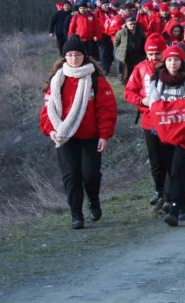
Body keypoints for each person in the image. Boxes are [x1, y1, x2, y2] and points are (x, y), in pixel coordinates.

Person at [39, 35, 118, 229]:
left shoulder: (95, 80)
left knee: (90, 175)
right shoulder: (58, 81)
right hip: (65, 137)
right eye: (70, 55)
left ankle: (93, 200)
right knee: (71, 176)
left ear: (84, 56)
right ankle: (76, 214)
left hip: (90, 136)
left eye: (78, 55)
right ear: (65, 57)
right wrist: (51, 130)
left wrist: (104, 135)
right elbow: (47, 111)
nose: (74, 58)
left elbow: (107, 110)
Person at [148, 45, 185, 226]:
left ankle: (173, 207)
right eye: (169, 60)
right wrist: (177, 108)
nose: (173, 63)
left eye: (176, 59)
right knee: (173, 171)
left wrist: (168, 109)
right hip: (164, 134)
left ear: (182, 62)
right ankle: (184, 205)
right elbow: (153, 106)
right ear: (165, 62)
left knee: (180, 169)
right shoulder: (157, 82)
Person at [125, 33, 169, 210]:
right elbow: (129, 92)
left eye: (157, 53)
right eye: (150, 54)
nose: (154, 57)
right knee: (155, 159)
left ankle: (171, 192)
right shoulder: (140, 68)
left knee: (169, 157)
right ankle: (159, 189)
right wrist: (141, 101)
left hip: (169, 120)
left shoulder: (172, 66)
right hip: (149, 120)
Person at [114, 17, 146, 85]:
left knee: (139, 70)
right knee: (127, 72)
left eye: (134, 24)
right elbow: (116, 42)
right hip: (127, 55)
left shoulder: (140, 32)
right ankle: (128, 83)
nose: (133, 26)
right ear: (126, 24)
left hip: (138, 54)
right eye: (131, 24)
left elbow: (144, 41)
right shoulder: (121, 33)